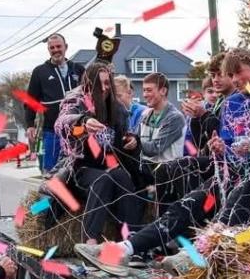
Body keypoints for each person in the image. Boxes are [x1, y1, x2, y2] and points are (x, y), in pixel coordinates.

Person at [75, 48, 250, 276]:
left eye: (238, 73)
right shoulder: (233, 103)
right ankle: (123, 251)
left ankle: (196, 256)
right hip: (234, 175)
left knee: (238, 205)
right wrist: (220, 148)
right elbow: (229, 147)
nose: (234, 80)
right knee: (185, 206)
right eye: (231, 75)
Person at [55, 62, 140, 244]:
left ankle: (130, 241)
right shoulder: (76, 102)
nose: (103, 88)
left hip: (108, 165)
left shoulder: (117, 109)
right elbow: (61, 123)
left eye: (107, 83)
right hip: (80, 168)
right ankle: (90, 240)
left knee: (123, 177)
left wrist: (133, 141)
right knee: (104, 179)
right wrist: (82, 123)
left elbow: (124, 137)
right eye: (98, 83)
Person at [24, 33, 85, 173]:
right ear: (48, 50)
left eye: (59, 46)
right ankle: (52, 193)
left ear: (66, 47)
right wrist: (30, 125)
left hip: (78, 131)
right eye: (52, 47)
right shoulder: (40, 72)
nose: (56, 50)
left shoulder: (78, 69)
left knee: (77, 169)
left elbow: (89, 95)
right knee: (51, 171)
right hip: (52, 131)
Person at [121, 73, 186, 165]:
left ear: (163, 91)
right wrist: (130, 138)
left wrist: (136, 143)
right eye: (144, 90)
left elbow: (155, 148)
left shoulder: (175, 118)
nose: (145, 95)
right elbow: (136, 137)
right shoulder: (146, 114)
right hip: (146, 169)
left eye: (149, 90)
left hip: (167, 174)